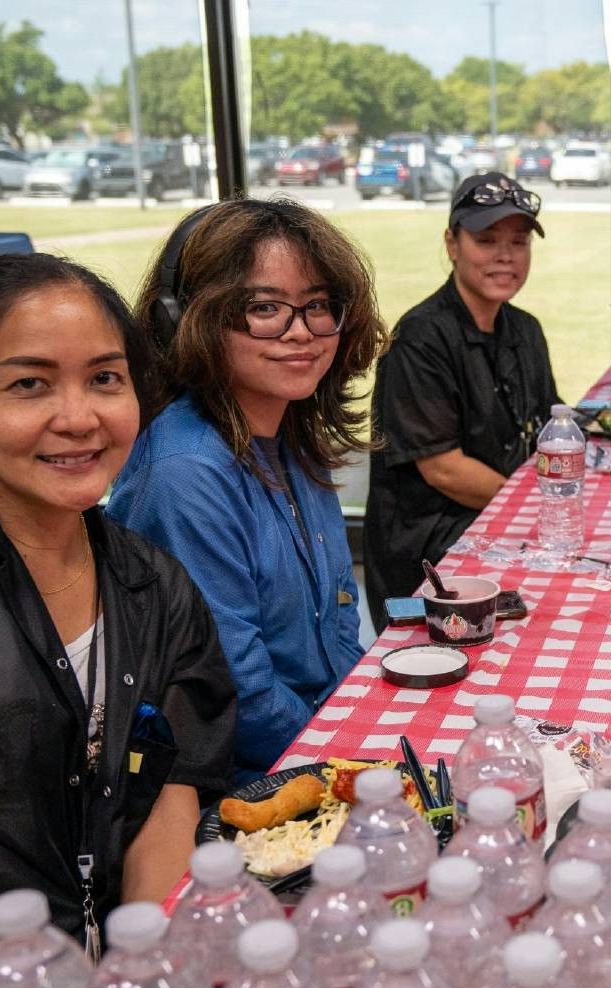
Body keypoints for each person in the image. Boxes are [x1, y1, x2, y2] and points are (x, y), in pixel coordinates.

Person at [0, 254, 236, 988]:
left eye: (105, 379)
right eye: (29, 384)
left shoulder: (156, 587)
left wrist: (148, 969)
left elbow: (169, 795)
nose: (78, 417)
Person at [108, 198, 387, 782]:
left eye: (318, 307)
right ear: (187, 318)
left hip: (317, 743)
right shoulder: (186, 473)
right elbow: (241, 695)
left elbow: (339, 618)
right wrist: (355, 761)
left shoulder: (291, 433)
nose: (301, 333)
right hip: (245, 784)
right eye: (265, 308)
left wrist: (369, 723)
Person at [365, 172, 561, 628]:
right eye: (486, 239)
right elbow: (444, 469)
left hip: (502, 531)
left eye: (519, 241)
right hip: (432, 558)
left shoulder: (525, 330)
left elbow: (551, 430)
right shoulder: (419, 339)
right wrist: (539, 511)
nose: (505, 256)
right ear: (452, 243)